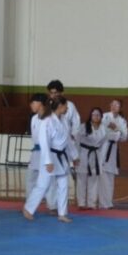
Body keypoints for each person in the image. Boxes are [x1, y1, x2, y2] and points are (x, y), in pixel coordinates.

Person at [23, 97, 78, 223]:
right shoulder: (47, 121)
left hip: (61, 156)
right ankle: (28, 208)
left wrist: (75, 156)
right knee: (43, 185)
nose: (67, 108)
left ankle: (62, 213)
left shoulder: (63, 120)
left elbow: (68, 140)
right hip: (50, 156)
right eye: (65, 106)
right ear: (60, 106)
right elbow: (44, 142)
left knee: (64, 185)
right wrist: (48, 161)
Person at [46, 80, 80, 212]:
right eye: (51, 93)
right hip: (52, 146)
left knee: (62, 178)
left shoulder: (69, 106)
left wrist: (73, 135)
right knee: (50, 179)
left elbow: (76, 122)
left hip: (66, 143)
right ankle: (52, 205)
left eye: (56, 93)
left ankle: (61, 207)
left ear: (62, 92)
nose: (53, 95)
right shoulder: (46, 106)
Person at [99, 99, 128, 209]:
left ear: (120, 108)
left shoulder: (122, 121)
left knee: (111, 176)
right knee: (102, 176)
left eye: (117, 105)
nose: (114, 106)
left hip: (113, 150)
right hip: (103, 148)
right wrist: (116, 134)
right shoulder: (104, 117)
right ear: (110, 105)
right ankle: (102, 203)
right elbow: (103, 132)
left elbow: (124, 137)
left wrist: (116, 129)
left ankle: (109, 202)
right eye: (113, 104)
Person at [75, 107, 106, 210]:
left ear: (101, 117)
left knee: (93, 181)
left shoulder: (103, 128)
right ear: (90, 116)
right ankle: (81, 203)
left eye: (98, 115)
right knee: (81, 180)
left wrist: (101, 160)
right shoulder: (83, 127)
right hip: (83, 155)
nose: (96, 117)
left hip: (96, 155)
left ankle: (91, 204)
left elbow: (102, 145)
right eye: (94, 115)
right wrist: (76, 157)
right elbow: (77, 142)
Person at [24, 93, 49, 208]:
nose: (31, 105)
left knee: (48, 180)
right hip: (36, 151)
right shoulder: (33, 118)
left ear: (41, 104)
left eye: (33, 102)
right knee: (30, 177)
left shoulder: (50, 118)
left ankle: (52, 206)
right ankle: (30, 205)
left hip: (47, 152)